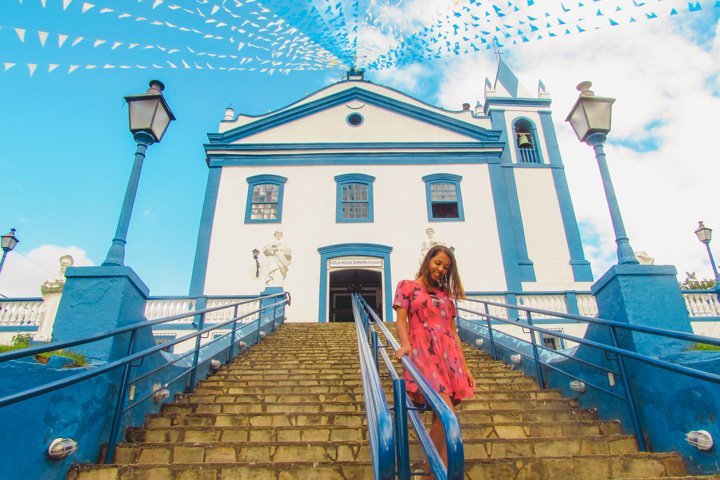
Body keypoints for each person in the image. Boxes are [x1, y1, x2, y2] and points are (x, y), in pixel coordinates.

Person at [393, 244, 475, 468]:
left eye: (446, 267)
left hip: (449, 358)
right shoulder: (407, 287)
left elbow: (453, 332)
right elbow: (401, 320)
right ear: (428, 260)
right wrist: (406, 344)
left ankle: (435, 473)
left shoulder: (445, 295)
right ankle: (431, 470)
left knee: (444, 417)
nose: (441, 269)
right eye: (438, 263)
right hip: (423, 354)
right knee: (446, 412)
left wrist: (465, 367)